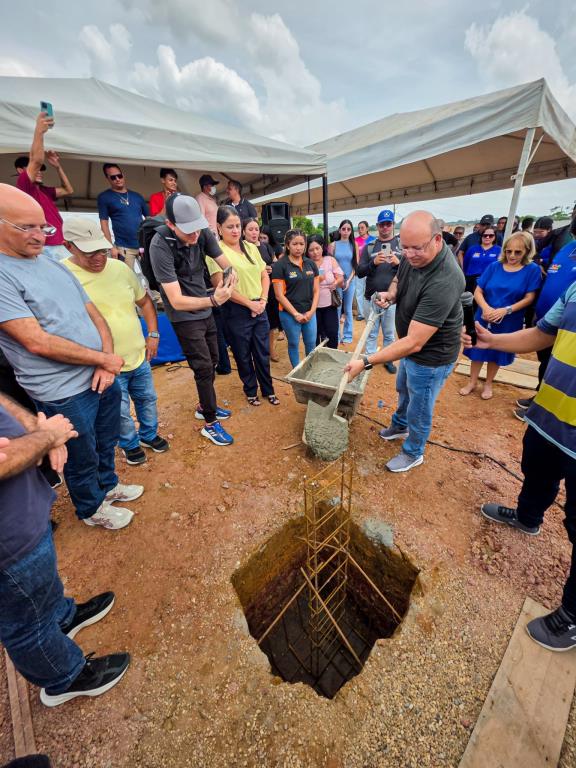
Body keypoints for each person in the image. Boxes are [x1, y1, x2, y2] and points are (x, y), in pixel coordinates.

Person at [0, 184, 143, 529]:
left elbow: (94, 314)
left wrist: (107, 359)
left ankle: (107, 487)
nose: (39, 235)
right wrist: (102, 360)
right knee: (80, 453)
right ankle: (91, 508)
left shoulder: (51, 264)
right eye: (27, 227)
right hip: (61, 389)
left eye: (43, 227)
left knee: (106, 439)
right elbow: (36, 341)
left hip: (99, 374)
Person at [462, 285, 576, 651]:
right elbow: (543, 333)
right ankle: (528, 518)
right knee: (537, 471)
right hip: (551, 414)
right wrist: (495, 341)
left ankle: (572, 616)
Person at [0, 393, 130, 706]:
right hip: (7, 545)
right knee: (26, 624)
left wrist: (38, 431)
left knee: (39, 592)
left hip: (23, 516)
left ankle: (61, 617)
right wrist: (47, 437)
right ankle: (65, 677)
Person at [345, 211, 465, 473]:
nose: (409, 254)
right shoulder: (415, 254)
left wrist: (365, 361)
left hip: (432, 356)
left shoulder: (445, 277)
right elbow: (401, 276)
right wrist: (391, 294)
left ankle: (413, 452)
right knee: (403, 387)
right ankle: (399, 425)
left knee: (420, 405)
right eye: (405, 247)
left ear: (436, 240)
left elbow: (414, 342)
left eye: (415, 248)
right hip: (411, 347)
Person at [61, 218, 170, 466]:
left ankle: (149, 435)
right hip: (104, 363)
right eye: (90, 252)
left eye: (101, 249)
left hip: (137, 355)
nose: (98, 257)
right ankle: (130, 444)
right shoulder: (62, 276)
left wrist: (153, 334)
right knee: (119, 412)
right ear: (69, 246)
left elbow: (144, 302)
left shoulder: (120, 268)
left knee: (148, 399)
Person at [149, 194, 237, 446]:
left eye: (197, 228)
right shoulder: (159, 245)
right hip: (184, 316)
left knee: (215, 359)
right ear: (171, 225)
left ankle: (203, 404)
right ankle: (209, 422)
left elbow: (226, 263)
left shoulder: (202, 232)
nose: (195, 235)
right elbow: (175, 300)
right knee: (203, 367)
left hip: (206, 308)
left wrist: (228, 281)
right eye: (187, 231)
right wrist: (214, 300)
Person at [209, 207, 279, 407]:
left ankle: (268, 389)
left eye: (238, 226)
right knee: (242, 354)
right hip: (236, 310)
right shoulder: (215, 253)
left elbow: (264, 275)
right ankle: (250, 390)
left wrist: (263, 301)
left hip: (260, 305)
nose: (235, 230)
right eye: (229, 226)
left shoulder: (250, 248)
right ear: (219, 228)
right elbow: (219, 286)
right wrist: (249, 304)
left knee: (262, 352)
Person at [460, 231, 541, 400]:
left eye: (517, 252)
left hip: (509, 319)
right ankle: (472, 381)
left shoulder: (531, 270)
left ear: (527, 251)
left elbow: (529, 297)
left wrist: (506, 310)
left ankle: (488, 383)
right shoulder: (494, 266)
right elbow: (478, 290)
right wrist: (486, 308)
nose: (512, 255)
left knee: (497, 351)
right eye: (508, 251)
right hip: (484, 315)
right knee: (476, 349)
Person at [515, 223, 576, 420]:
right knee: (545, 363)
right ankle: (539, 397)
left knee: (559, 368)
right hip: (546, 318)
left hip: (567, 327)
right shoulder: (567, 248)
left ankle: (543, 409)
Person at [14, 112, 74, 261]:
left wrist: (58, 167)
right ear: (21, 171)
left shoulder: (44, 190)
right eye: (37, 169)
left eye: (42, 170)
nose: (40, 172)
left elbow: (68, 190)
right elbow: (36, 160)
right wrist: (39, 131)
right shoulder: (24, 186)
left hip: (60, 243)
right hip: (47, 246)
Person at [356, 209, 401, 372]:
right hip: (371, 297)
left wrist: (398, 263)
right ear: (377, 226)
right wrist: (373, 263)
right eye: (382, 224)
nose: (385, 227)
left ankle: (388, 360)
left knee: (389, 333)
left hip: (392, 299)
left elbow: (412, 271)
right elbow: (360, 272)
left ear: (393, 225)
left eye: (388, 224)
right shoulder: (369, 247)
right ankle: (368, 360)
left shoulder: (402, 246)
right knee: (371, 331)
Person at [271, 229, 320, 368]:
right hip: (289, 314)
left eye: (301, 244)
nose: (298, 247)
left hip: (310, 313)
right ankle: (296, 372)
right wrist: (295, 314)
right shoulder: (280, 266)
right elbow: (279, 295)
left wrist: (311, 311)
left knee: (311, 342)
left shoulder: (310, 264)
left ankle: (310, 371)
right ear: (287, 245)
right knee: (293, 343)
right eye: (295, 244)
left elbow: (316, 291)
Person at [243, 218, 282, 362]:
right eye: (250, 229)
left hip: (269, 289)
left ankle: (271, 349)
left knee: (271, 322)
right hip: (252, 291)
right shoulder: (241, 249)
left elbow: (275, 263)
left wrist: (271, 267)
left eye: (256, 229)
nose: (254, 233)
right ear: (244, 231)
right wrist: (260, 270)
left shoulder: (265, 247)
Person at [98, 163, 149, 268]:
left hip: (142, 247)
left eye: (119, 175)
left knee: (152, 278)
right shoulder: (104, 197)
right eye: (113, 177)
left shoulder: (137, 196)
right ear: (107, 178)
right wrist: (111, 247)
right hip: (123, 248)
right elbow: (104, 225)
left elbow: (149, 219)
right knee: (125, 279)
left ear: (123, 175)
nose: (117, 179)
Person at [307, 234, 343, 349]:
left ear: (322, 247)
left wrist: (335, 283)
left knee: (332, 333)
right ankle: (316, 360)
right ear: (307, 251)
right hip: (312, 307)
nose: (315, 252)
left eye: (317, 248)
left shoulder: (330, 260)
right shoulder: (306, 264)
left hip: (330, 305)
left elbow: (341, 278)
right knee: (314, 336)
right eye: (311, 250)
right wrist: (316, 281)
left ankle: (332, 356)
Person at [328, 219, 358, 344]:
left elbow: (355, 265)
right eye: (344, 229)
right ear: (340, 230)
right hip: (337, 280)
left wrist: (349, 280)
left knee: (348, 309)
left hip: (350, 280)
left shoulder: (354, 245)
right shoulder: (333, 245)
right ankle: (337, 335)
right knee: (337, 308)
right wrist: (338, 280)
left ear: (351, 231)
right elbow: (329, 263)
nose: (346, 231)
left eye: (348, 229)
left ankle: (348, 335)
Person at [461, 225, 501, 296]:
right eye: (485, 235)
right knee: (469, 302)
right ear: (481, 236)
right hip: (471, 280)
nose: (487, 237)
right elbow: (465, 264)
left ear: (495, 237)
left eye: (491, 235)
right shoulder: (472, 249)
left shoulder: (499, 250)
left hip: (489, 280)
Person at [354, 221, 375, 321]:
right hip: (359, 269)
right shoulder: (355, 241)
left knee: (370, 291)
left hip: (371, 268)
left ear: (367, 228)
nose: (360, 230)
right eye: (359, 228)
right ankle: (361, 313)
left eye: (362, 227)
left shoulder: (373, 240)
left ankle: (371, 312)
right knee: (359, 291)